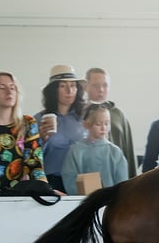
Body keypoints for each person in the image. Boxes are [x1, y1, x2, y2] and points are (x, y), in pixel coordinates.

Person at [35, 64, 87, 192]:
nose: (70, 91)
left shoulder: (85, 118)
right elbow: (30, 157)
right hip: (52, 180)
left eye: (73, 85)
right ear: (53, 90)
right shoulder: (39, 119)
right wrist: (42, 139)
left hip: (81, 178)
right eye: (63, 86)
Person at [61, 103, 128, 195]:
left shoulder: (114, 152)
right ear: (86, 124)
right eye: (98, 124)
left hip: (110, 202)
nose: (103, 128)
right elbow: (69, 177)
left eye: (106, 124)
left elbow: (122, 181)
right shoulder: (76, 150)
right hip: (83, 202)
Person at [85, 67, 138, 179]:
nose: (101, 89)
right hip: (88, 175)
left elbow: (128, 150)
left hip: (116, 176)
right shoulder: (80, 115)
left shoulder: (118, 115)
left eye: (105, 85)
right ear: (86, 87)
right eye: (95, 85)